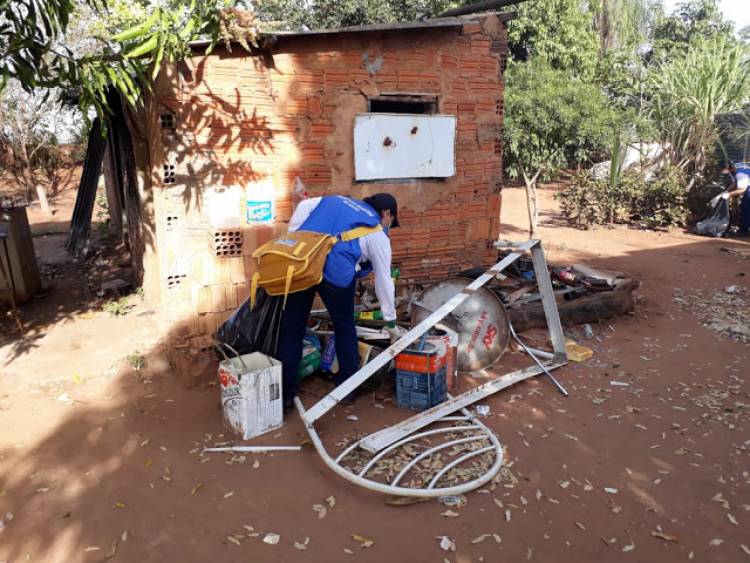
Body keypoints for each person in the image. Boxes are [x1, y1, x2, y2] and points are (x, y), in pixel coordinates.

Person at [276, 193, 403, 410]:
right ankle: (347, 389)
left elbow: (305, 204)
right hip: (337, 274)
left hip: (304, 265)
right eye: (391, 221)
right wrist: (390, 322)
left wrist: (295, 235)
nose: (389, 225)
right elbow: (384, 279)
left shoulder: (335, 200)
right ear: (386, 214)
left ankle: (286, 395)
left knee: (292, 328)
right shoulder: (377, 231)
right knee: (344, 327)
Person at [711, 161, 750, 236]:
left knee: (746, 207)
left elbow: (742, 189)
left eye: (722, 170)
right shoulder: (736, 167)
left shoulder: (740, 174)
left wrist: (728, 194)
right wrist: (726, 191)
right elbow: (735, 183)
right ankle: (745, 228)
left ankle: (744, 230)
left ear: (727, 169)